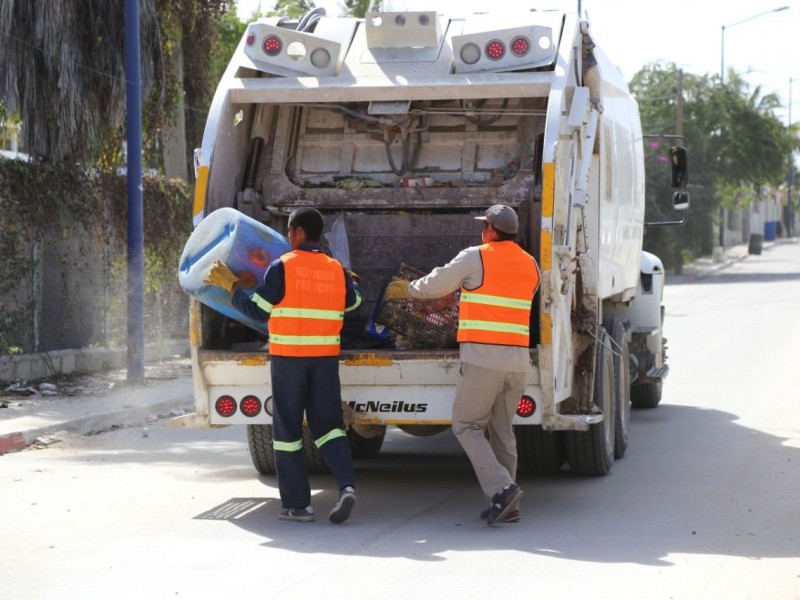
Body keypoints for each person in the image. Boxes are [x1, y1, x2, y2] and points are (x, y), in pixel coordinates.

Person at [383, 204, 540, 526]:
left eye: (484, 225)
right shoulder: (531, 264)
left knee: (466, 426)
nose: (482, 230)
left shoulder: (476, 256)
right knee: (502, 432)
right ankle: (507, 502)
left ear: (491, 230)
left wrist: (409, 288)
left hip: (484, 358)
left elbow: (436, 284)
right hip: (517, 360)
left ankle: (503, 489)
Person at [205, 207, 362, 524]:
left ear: (300, 233)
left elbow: (257, 312)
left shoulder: (282, 267)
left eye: (290, 231)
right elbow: (355, 302)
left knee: (288, 432)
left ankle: (298, 506)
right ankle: (346, 486)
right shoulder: (335, 269)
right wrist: (351, 281)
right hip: (324, 363)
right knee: (329, 428)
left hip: (289, 361)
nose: (289, 237)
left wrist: (233, 285)